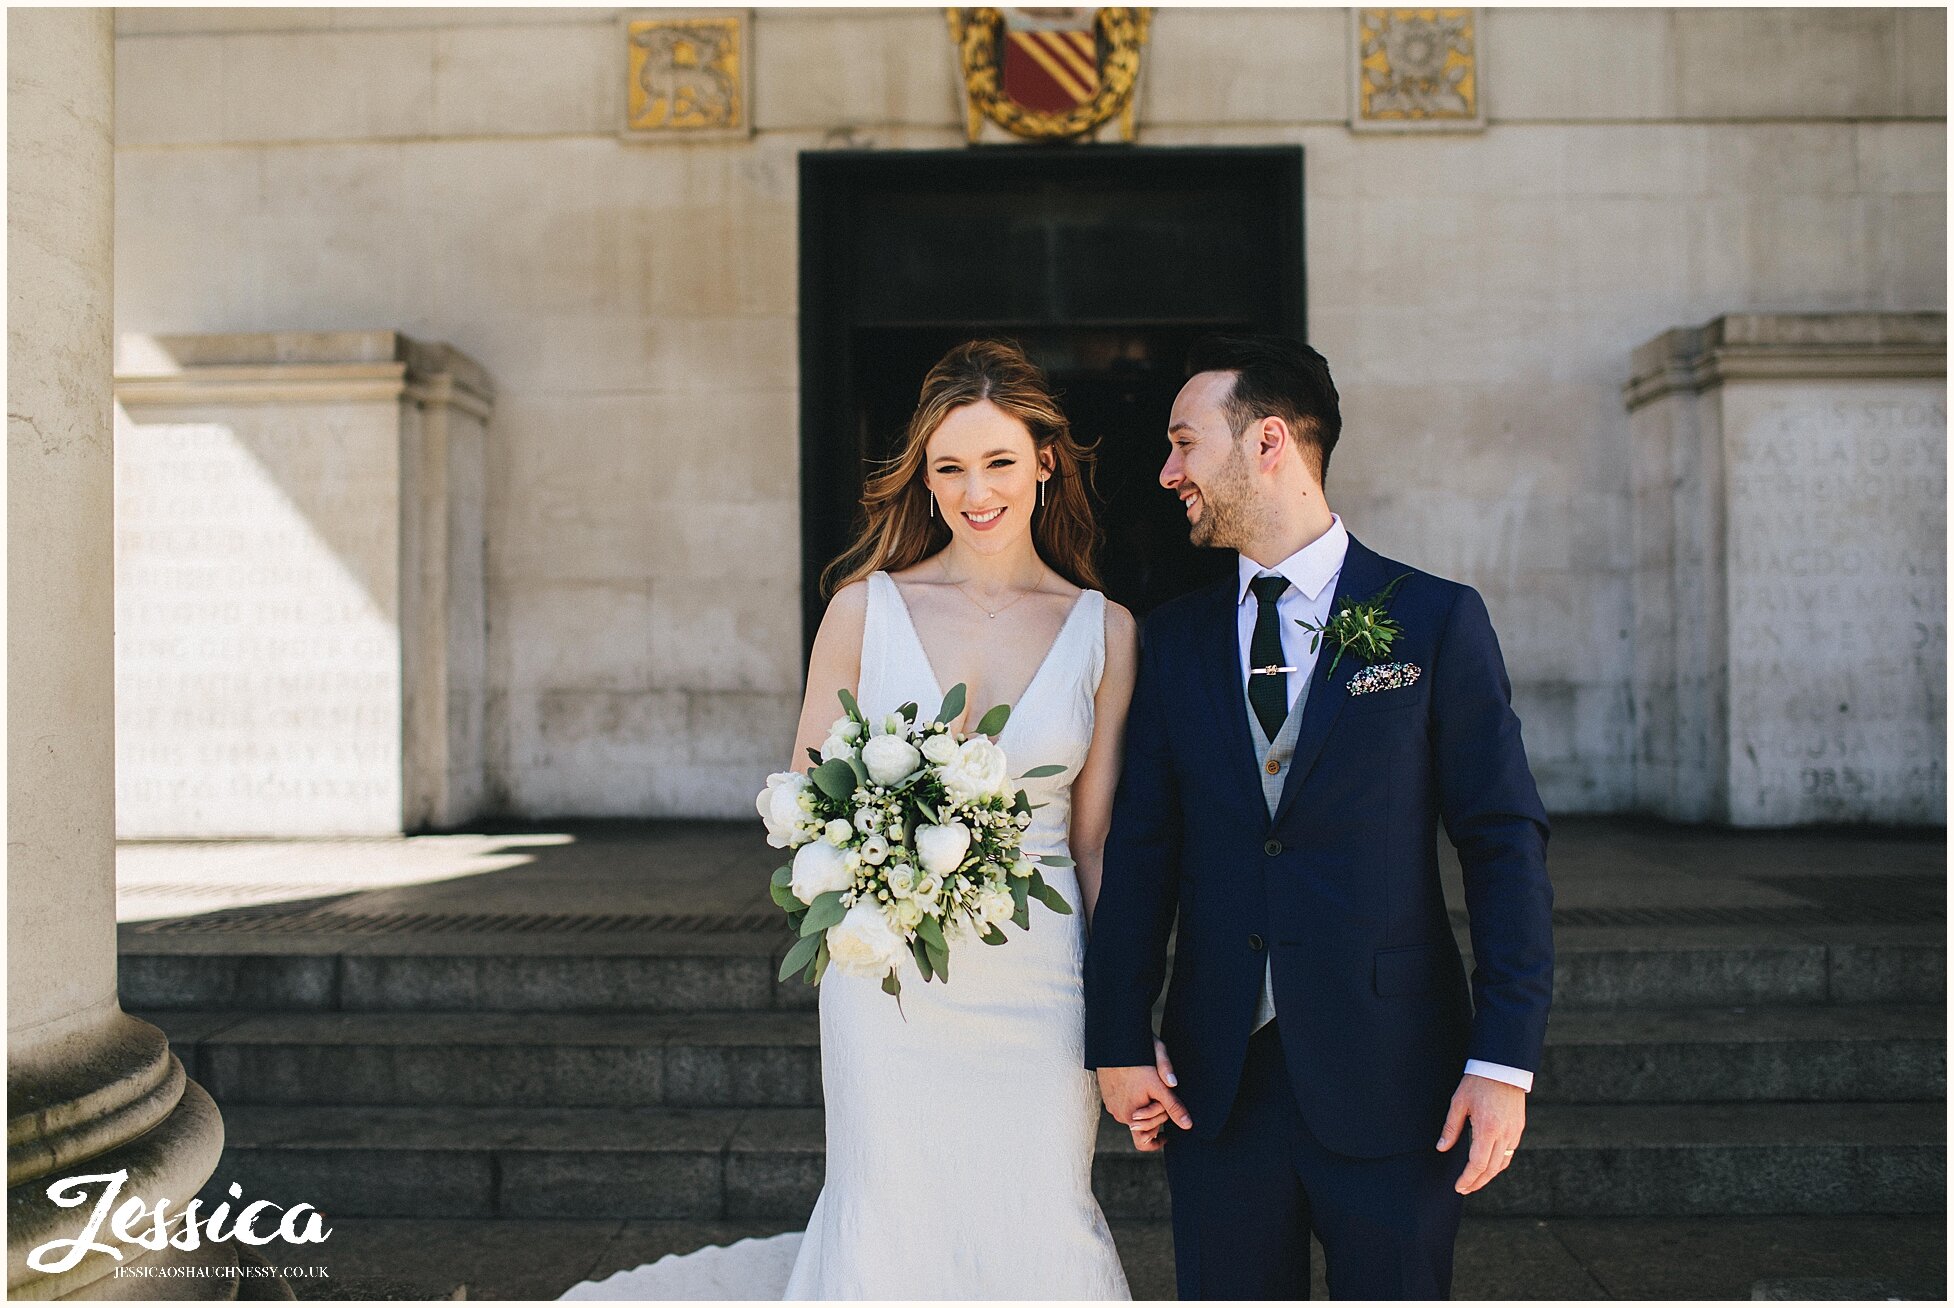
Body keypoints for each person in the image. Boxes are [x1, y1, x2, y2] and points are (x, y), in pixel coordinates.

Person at [561, 338, 1139, 1300]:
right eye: (948, 467)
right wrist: (877, 870)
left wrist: (1123, 1008)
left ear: (1046, 461)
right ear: (924, 478)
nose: (974, 491)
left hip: (1041, 975)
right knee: (893, 1206)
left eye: (998, 461)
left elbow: (1091, 844)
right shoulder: (864, 612)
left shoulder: (1105, 631)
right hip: (889, 977)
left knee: (1040, 1207)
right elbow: (803, 807)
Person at [1083, 333, 1554, 1300]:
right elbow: (1141, 854)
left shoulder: (1432, 620)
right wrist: (1120, 1035)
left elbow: (1503, 844)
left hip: (1398, 1079)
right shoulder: (1170, 642)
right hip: (1215, 1086)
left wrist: (1504, 1060)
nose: (1168, 472)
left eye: (1184, 444)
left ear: (1267, 442)